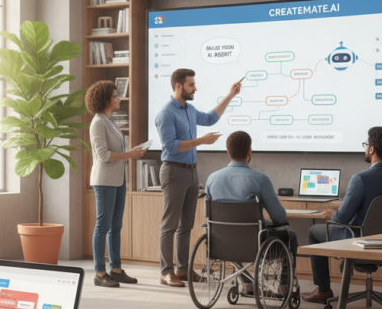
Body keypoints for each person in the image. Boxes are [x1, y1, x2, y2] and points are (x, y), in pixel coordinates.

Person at [303, 126, 382, 304]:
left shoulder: (361, 178)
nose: (365, 148)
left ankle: (323, 289)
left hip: (360, 241)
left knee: (313, 231)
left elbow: (341, 219)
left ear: (372, 149)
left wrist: (332, 215)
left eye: (366, 145)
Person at [155, 68, 242, 287]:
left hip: (191, 171)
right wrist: (200, 141)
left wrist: (230, 95)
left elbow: (211, 118)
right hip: (174, 170)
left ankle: (182, 269)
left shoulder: (189, 109)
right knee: (170, 224)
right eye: (191, 85)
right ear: (178, 86)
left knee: (186, 225)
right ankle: (166, 272)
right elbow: (170, 146)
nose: (195, 88)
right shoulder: (166, 113)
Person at [205, 131, 297, 293]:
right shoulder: (260, 179)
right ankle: (283, 285)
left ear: (228, 152)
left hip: (220, 244)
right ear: (249, 151)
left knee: (233, 233)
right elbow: (279, 217)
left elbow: (209, 217)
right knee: (290, 236)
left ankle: (246, 281)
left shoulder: (212, 178)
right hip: (255, 243)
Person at [86, 80, 146, 288]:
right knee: (103, 225)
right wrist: (130, 154)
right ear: (105, 100)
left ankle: (116, 269)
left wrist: (133, 150)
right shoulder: (98, 123)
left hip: (119, 179)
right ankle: (100, 272)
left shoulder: (110, 121)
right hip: (104, 181)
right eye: (114, 96)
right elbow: (103, 155)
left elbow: (117, 150)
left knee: (116, 226)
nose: (118, 99)